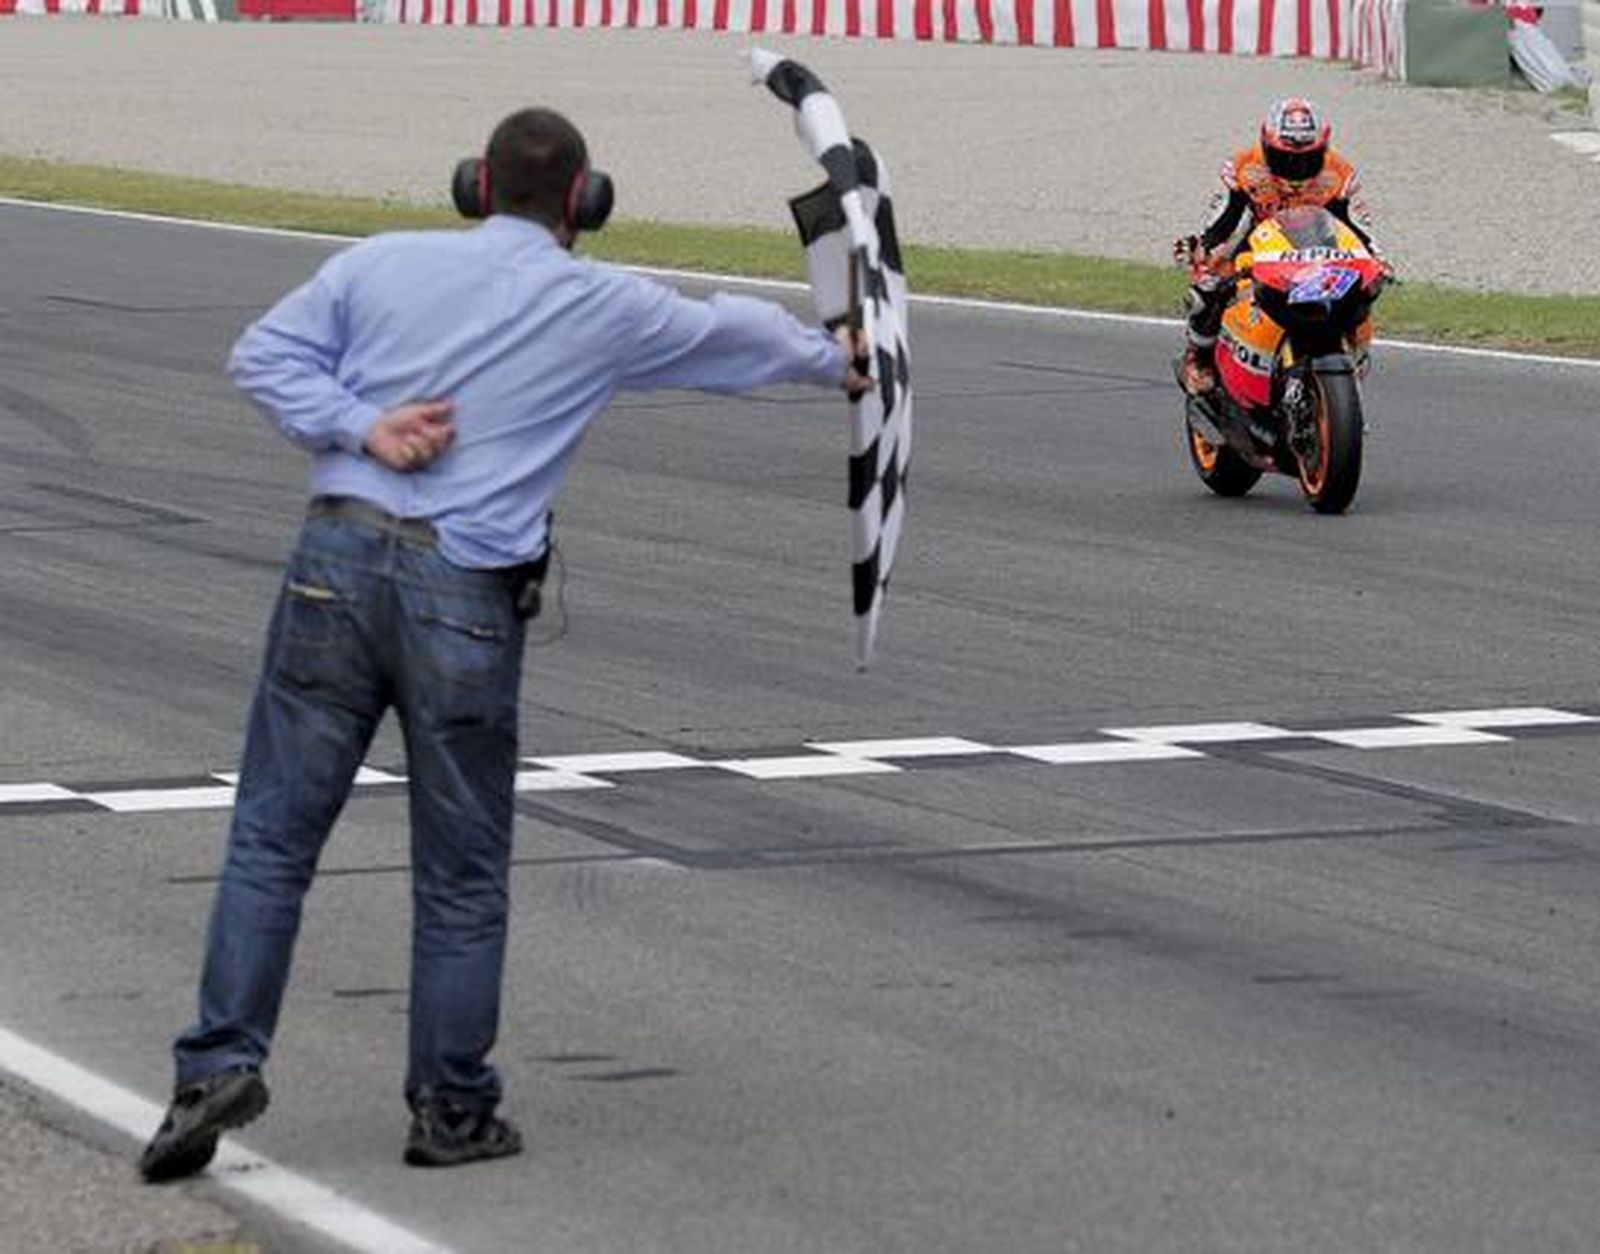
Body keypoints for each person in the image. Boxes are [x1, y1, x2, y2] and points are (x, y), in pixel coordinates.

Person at [139, 105, 870, 1181]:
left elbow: (264, 356)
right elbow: (732, 338)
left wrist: (361, 426)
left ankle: (213, 1067)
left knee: (271, 840)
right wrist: (836, 359)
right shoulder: (602, 303)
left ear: (473, 184)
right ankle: (450, 1108)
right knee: (462, 872)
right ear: (585, 202)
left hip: (332, 569)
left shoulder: (377, 264)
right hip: (464, 594)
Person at [1175, 96, 1382, 396]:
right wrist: (1204, 247)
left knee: (1365, 285)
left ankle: (1351, 352)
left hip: (1318, 252)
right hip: (1257, 249)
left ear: (1322, 149)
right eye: (1286, 157)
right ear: (1267, 146)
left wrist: (1377, 258)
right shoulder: (1244, 169)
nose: (1295, 167)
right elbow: (1224, 220)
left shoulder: (1339, 174)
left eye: (1306, 158)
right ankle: (1199, 358)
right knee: (1207, 285)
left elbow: (1356, 227)